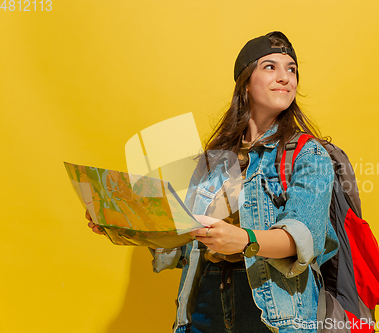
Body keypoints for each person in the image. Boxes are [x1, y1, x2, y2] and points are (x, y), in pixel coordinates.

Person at [87, 31, 339, 333]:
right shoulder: (215, 158)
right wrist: (122, 224)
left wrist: (245, 240)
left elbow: (303, 239)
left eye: (292, 69)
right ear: (245, 82)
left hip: (272, 312)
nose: (285, 77)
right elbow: (183, 240)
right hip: (203, 304)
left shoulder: (309, 154)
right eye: (270, 67)